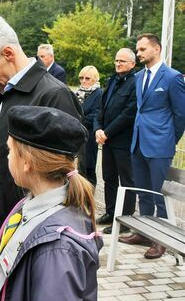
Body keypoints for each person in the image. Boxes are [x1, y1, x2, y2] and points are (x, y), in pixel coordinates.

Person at [0, 15, 83, 274]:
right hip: (3, 229)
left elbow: (66, 181)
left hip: (32, 238)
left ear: (8, 53)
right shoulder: (5, 92)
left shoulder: (53, 95)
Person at [0, 106, 101, 301]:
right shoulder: (32, 205)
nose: (7, 157)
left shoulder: (57, 249)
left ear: (26, 163)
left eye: (9, 150)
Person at [120, 33, 185, 259]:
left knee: (159, 195)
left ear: (156, 49)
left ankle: (161, 241)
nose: (138, 54)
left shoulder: (173, 77)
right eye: (137, 50)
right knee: (143, 193)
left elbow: (180, 115)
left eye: (142, 49)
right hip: (138, 143)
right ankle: (144, 232)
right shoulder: (139, 77)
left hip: (160, 145)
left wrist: (169, 140)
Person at [95, 48, 137, 234]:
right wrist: (97, 128)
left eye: (122, 61)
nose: (118, 63)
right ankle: (110, 213)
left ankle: (125, 220)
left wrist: (107, 132)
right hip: (107, 140)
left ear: (132, 64)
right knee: (109, 178)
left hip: (123, 141)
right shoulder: (111, 81)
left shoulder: (135, 83)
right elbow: (100, 109)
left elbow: (129, 113)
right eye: (116, 60)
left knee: (126, 181)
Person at [75, 65, 102, 185]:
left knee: (88, 168)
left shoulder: (99, 93)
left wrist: (78, 119)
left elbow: (97, 114)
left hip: (90, 135)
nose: (83, 81)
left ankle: (90, 197)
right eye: (81, 78)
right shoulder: (78, 93)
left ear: (95, 79)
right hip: (76, 135)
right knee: (77, 168)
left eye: (87, 78)